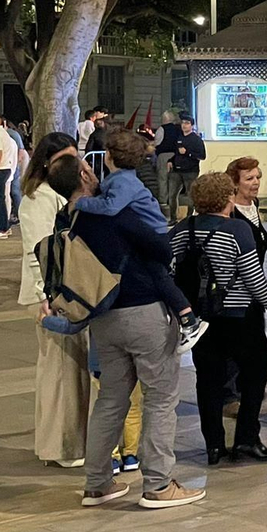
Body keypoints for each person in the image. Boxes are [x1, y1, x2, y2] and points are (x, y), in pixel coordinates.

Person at [47, 154, 204, 508]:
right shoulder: (113, 213)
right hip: (142, 310)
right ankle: (159, 485)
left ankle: (98, 483)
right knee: (161, 398)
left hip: (102, 316)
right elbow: (160, 247)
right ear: (86, 174)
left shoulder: (66, 219)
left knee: (111, 400)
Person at [171, 172, 267, 463]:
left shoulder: (183, 229)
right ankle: (246, 437)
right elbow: (253, 277)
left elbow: (170, 270)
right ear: (228, 197)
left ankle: (214, 446)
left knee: (208, 379)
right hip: (239, 315)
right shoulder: (237, 230)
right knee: (257, 371)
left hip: (201, 318)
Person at [74, 131, 207, 351]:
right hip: (148, 234)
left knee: (159, 276)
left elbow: (110, 207)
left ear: (110, 156)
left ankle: (188, 320)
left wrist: (82, 203)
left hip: (153, 234)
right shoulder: (121, 179)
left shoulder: (123, 181)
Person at [19, 133, 89, 467]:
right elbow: (38, 250)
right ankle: (59, 447)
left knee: (72, 373)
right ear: (47, 163)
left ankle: (73, 442)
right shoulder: (39, 197)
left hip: (70, 291)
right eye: (65, 159)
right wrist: (45, 296)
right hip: (51, 294)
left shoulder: (64, 194)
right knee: (58, 372)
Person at [220, 156, 267, 460]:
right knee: (242, 351)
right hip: (237, 295)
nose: (256, 183)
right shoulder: (230, 214)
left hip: (253, 292)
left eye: (257, 177)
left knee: (253, 352)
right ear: (234, 182)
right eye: (249, 179)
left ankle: (244, 392)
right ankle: (230, 396)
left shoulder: (253, 208)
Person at [156, 113, 205, 221]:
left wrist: (187, 153)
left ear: (191, 125)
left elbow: (202, 156)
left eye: (187, 123)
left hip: (190, 171)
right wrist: (170, 161)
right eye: (182, 123)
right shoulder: (179, 137)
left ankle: (189, 218)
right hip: (176, 170)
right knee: (172, 195)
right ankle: (173, 218)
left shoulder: (196, 140)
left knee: (190, 195)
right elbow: (176, 153)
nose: (184, 125)